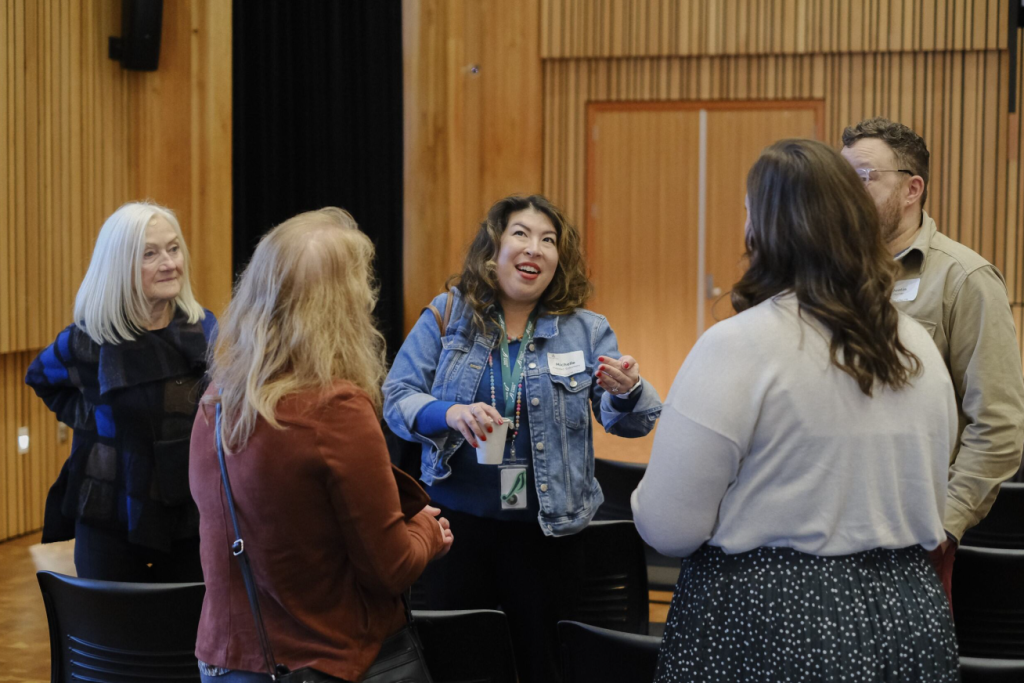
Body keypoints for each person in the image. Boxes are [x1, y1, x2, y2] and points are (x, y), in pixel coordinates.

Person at [632, 140, 960, 682]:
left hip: (774, 618)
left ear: (764, 229)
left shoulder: (738, 345)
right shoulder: (918, 345)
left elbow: (669, 528)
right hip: (908, 612)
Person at [383, 194, 662, 683]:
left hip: (549, 534)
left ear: (559, 259)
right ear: (493, 250)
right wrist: (448, 412)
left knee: (543, 667)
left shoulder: (586, 330)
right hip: (457, 530)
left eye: (548, 240)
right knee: (460, 666)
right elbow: (396, 397)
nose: (535, 248)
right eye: (521, 234)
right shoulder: (449, 315)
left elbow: (627, 422)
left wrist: (630, 389)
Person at [190, 208, 450, 683]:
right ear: (344, 304)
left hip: (226, 662)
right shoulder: (334, 408)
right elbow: (389, 568)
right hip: (325, 662)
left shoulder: (218, 399)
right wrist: (429, 534)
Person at [841, 118, 1024, 597]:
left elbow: (998, 425)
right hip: (831, 526)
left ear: (911, 189)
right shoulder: (829, 276)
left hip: (913, 535)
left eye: (863, 178)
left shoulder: (965, 279)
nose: (844, 193)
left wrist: (944, 527)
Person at [25, 201, 215, 582]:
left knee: (185, 635)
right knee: (113, 635)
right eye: (150, 253)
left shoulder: (204, 329)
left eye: (173, 248)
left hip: (189, 517)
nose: (169, 263)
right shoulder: (89, 339)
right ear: (119, 266)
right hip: (110, 515)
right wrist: (94, 418)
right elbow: (41, 378)